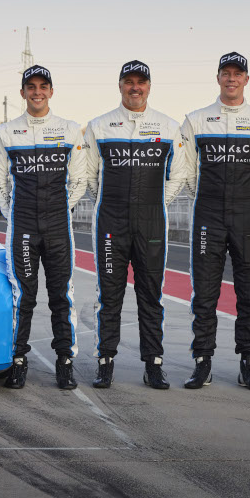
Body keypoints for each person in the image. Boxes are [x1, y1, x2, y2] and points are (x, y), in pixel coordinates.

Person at [83, 60, 188, 390]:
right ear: (120, 86)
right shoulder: (99, 126)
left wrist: (156, 202)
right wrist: (114, 202)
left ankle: (153, 364)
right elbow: (89, 176)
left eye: (140, 82)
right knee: (110, 296)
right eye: (128, 81)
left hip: (152, 222)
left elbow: (179, 175)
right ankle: (105, 361)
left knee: (151, 297)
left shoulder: (168, 127)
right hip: (111, 221)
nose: (135, 87)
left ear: (149, 86)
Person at [181, 52, 250, 391]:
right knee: (205, 295)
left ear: (247, 79)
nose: (231, 79)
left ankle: (249, 363)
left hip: (249, 215)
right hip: (208, 214)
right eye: (226, 73)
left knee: (249, 295)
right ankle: (202, 362)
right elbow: (189, 172)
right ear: (218, 77)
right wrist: (210, 198)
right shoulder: (196, 119)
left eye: (238, 73)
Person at [0, 65, 88, 390]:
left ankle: (65, 362)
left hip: (59, 227)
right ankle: (17, 361)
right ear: (23, 93)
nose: (37, 92)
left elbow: (81, 180)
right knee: (23, 298)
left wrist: (63, 207)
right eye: (31, 87)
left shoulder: (70, 130)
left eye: (43, 86)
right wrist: (13, 213)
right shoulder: (6, 132)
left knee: (62, 296)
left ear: (51, 91)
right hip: (24, 228)